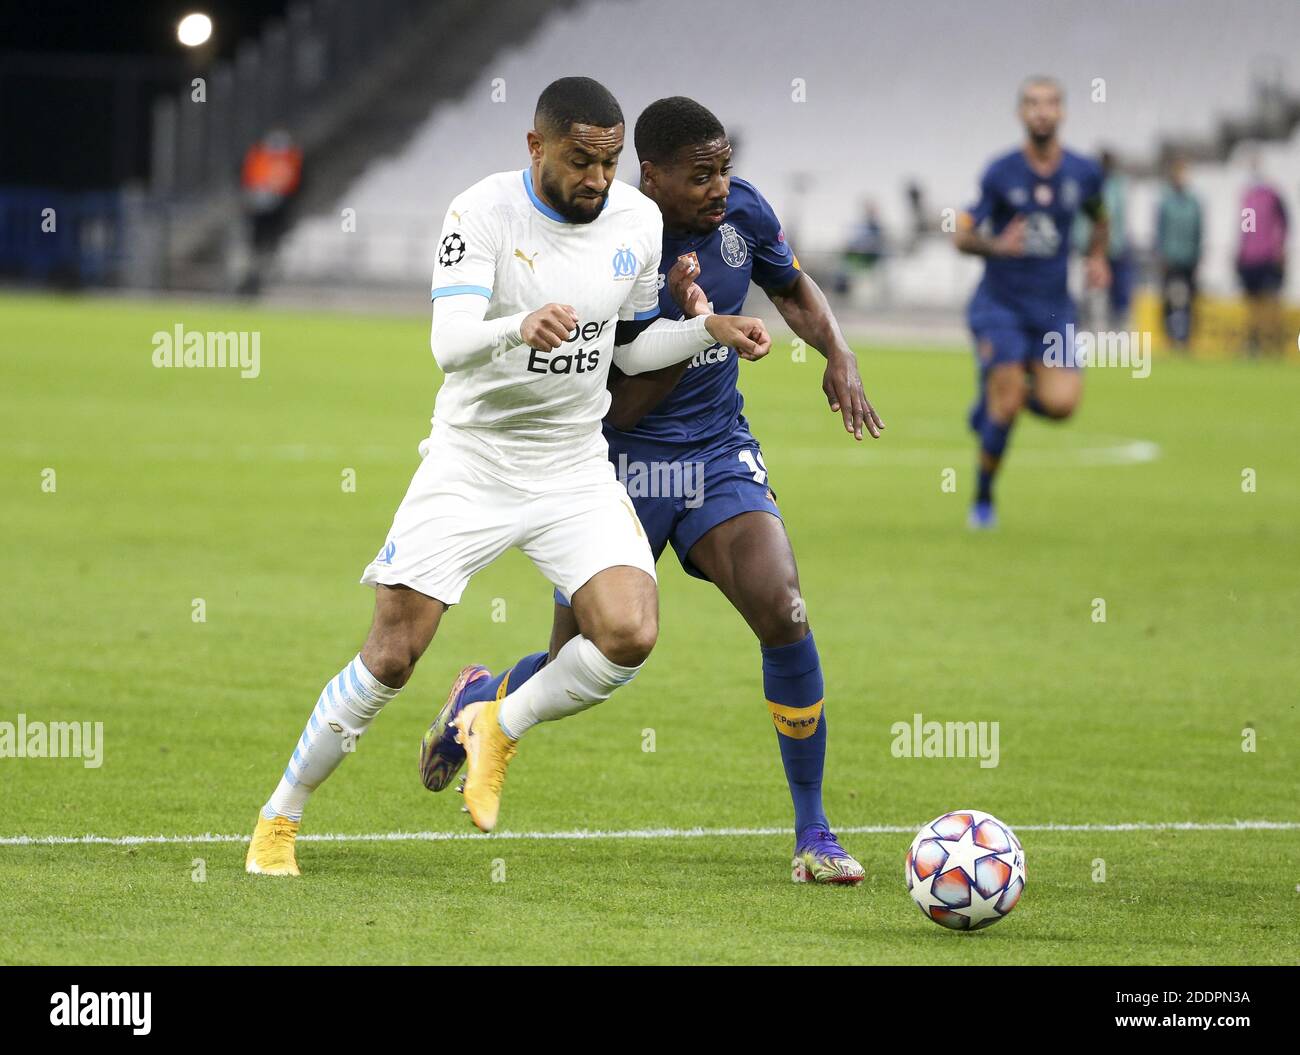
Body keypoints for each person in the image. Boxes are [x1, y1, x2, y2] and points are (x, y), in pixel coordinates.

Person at [244, 77, 771, 875]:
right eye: (581, 159)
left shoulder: (634, 220)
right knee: (392, 653)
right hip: (474, 459)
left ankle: (498, 722)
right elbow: (449, 342)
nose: (599, 178)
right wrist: (515, 325)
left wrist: (705, 330)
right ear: (537, 147)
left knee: (630, 631)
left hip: (571, 464)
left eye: (610, 160)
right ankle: (279, 817)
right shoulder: (481, 211)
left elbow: (628, 350)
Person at [420, 96, 884, 884]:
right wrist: (701, 329)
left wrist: (836, 353)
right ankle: (484, 698)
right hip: (612, 464)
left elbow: (795, 286)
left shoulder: (745, 211)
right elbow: (614, 399)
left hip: (715, 454)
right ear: (652, 175)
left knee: (785, 608)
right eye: (700, 175)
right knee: (584, 656)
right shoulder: (616, 235)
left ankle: (814, 832)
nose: (719, 187)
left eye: (725, 168)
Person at [954, 75, 1109, 530]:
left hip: (1055, 309)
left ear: (1061, 112)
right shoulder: (1001, 172)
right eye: (1032, 104)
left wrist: (1098, 256)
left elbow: (1101, 218)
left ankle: (994, 402)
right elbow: (962, 235)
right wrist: (999, 245)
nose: (1041, 111)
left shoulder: (1083, 172)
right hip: (999, 305)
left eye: (1050, 103)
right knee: (1007, 401)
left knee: (1062, 405)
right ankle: (983, 500)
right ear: (1022, 113)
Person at [1236, 158, 1288, 357]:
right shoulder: (1247, 197)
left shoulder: (1273, 196)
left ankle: (1274, 343)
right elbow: (1245, 229)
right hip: (1251, 259)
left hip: (1269, 257)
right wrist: (1243, 251)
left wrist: (1279, 250)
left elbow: (1283, 225)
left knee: (1271, 302)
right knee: (1253, 304)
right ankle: (1254, 343)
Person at [1155, 156, 1203, 350]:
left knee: (1188, 300)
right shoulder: (1166, 202)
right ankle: (1170, 337)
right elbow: (1160, 231)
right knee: (1170, 300)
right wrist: (1162, 254)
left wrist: (1197, 255)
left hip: (1189, 260)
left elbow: (1199, 231)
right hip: (1170, 259)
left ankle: (1186, 339)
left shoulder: (1194, 203)